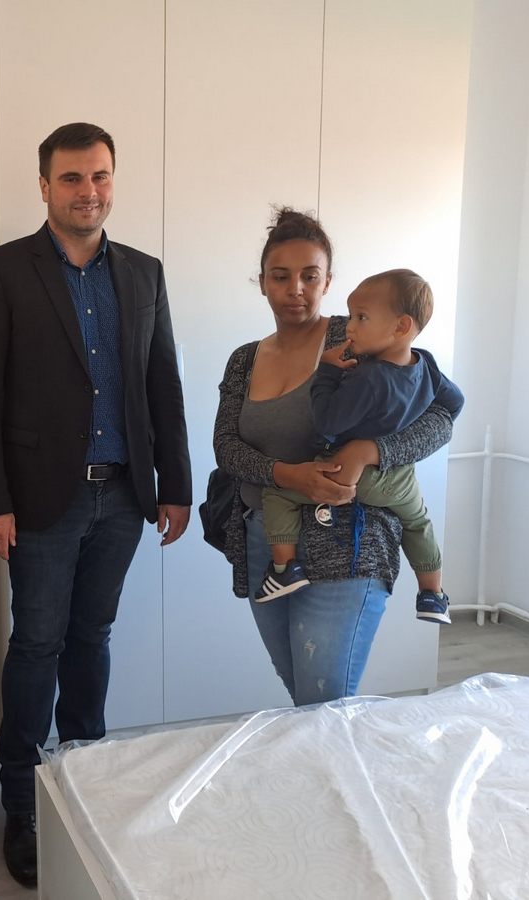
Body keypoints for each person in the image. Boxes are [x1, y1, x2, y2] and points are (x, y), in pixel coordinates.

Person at [0, 122, 192, 888]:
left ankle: (88, 779)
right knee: (37, 645)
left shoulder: (144, 273)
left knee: (93, 637)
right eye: (71, 178)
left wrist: (175, 484)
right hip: (38, 502)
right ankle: (23, 805)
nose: (87, 191)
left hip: (123, 495)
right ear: (45, 186)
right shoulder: (2, 271)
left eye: (99, 176)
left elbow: (163, 383)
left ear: (112, 180)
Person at [213, 208, 457, 711]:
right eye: (281, 276)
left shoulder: (361, 337)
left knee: (325, 701)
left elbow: (441, 414)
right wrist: (288, 475)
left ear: (328, 281)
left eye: (310, 276)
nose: (296, 289)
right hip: (267, 540)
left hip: (349, 538)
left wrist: (373, 450)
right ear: (262, 282)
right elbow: (226, 447)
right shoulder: (244, 359)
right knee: (302, 695)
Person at [256, 268, 464, 626]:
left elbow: (328, 422)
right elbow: (454, 403)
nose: (350, 327)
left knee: (276, 494)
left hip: (353, 476)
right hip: (400, 479)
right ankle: (432, 595)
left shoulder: (368, 376)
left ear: (401, 326)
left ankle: (285, 568)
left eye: (361, 317)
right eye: (351, 316)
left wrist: (326, 372)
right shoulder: (426, 363)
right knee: (418, 522)